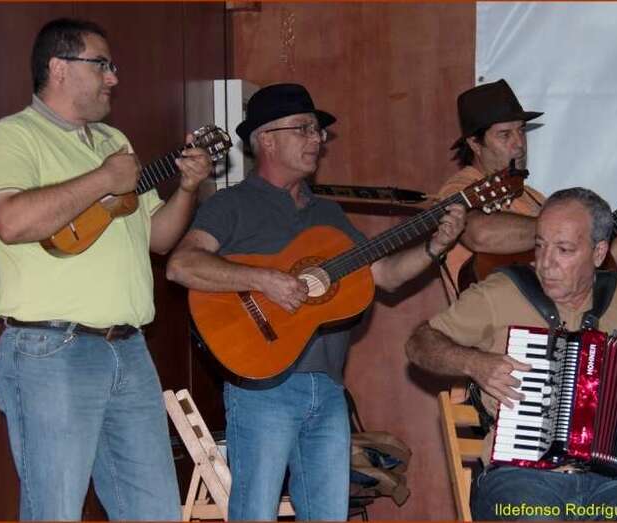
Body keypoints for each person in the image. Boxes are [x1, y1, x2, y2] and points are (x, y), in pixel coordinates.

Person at [165, 82, 466, 521]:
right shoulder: (232, 205)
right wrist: (263, 279)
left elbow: (383, 275)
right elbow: (181, 265)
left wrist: (434, 247)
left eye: (318, 131)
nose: (317, 140)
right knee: (256, 513)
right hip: (263, 388)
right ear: (267, 139)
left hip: (328, 388)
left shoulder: (328, 214)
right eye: (303, 128)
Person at [0, 18, 212, 520]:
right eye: (102, 65)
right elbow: (11, 221)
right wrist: (103, 178)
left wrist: (188, 188)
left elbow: (158, 238)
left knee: (155, 512)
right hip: (51, 351)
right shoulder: (14, 135)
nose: (113, 77)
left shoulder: (114, 141)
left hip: (129, 349)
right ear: (59, 68)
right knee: (55, 511)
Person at [405, 188, 617, 521]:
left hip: (610, 484)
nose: (546, 263)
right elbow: (419, 343)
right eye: (540, 245)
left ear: (599, 252)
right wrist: (474, 363)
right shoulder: (501, 292)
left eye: (564, 250)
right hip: (521, 479)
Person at [438, 79, 617, 301]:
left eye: (521, 131)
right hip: (488, 323)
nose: (519, 144)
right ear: (475, 143)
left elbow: (589, 267)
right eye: (505, 134)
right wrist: (567, 231)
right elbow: (479, 234)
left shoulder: (533, 197)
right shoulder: (458, 189)